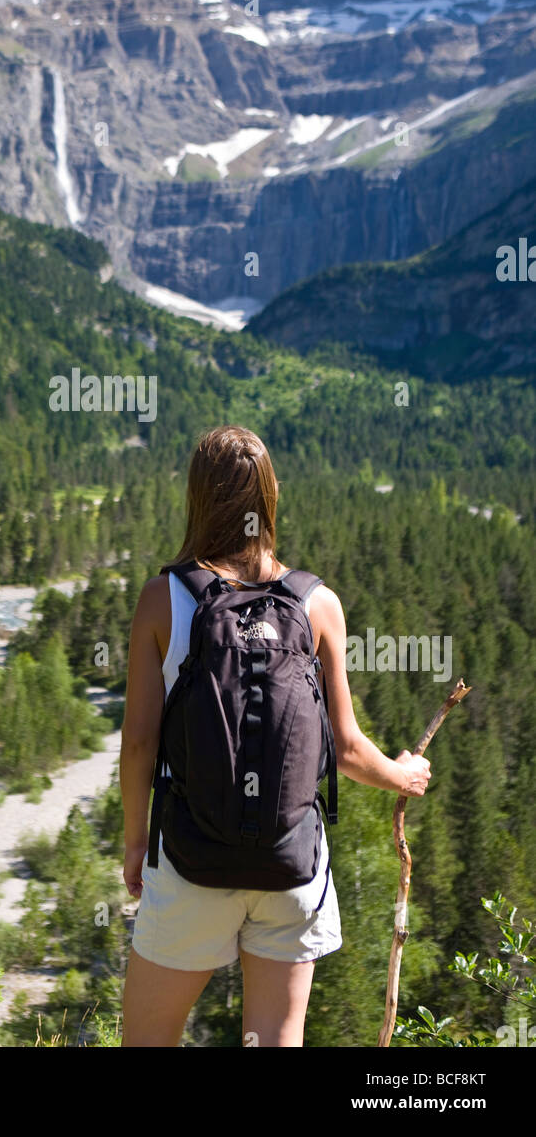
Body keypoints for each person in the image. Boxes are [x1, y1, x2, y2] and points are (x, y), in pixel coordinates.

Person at [120, 425, 431, 1047]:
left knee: (147, 1039)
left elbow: (138, 745)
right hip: (292, 868)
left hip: (190, 863)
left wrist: (135, 844)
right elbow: (345, 749)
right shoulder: (317, 604)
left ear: (197, 498)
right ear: (273, 496)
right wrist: (405, 774)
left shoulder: (165, 599)